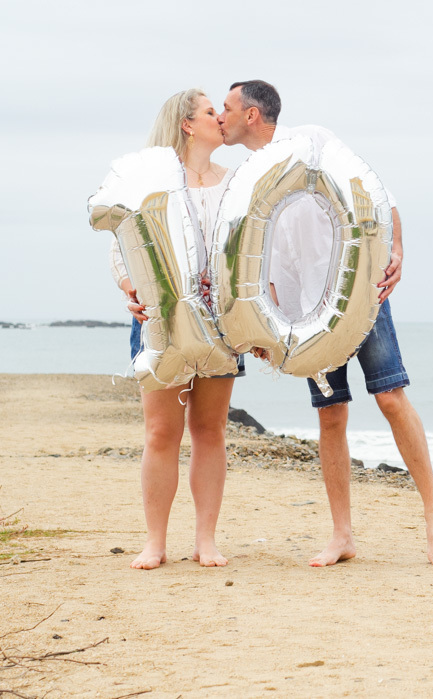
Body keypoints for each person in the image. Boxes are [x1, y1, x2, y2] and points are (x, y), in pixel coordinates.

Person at [217, 79, 433, 567]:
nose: (220, 117)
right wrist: (265, 327)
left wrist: (399, 250)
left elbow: (376, 192)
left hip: (358, 293)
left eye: (226, 108)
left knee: (390, 395)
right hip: (303, 312)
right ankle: (342, 534)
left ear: (252, 115)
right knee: (330, 415)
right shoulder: (244, 178)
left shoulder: (313, 140)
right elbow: (255, 262)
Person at [108, 88, 243, 569]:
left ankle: (206, 540)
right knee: (161, 433)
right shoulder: (152, 180)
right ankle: (155, 542)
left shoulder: (237, 182)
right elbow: (120, 244)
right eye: (211, 112)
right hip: (159, 321)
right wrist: (132, 289)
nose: (220, 119)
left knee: (210, 430)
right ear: (188, 124)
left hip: (221, 324)